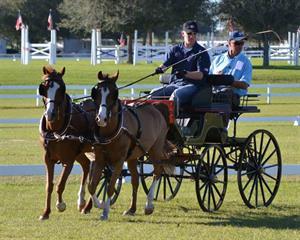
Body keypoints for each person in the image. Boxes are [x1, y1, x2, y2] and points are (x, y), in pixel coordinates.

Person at [151, 20, 211, 107]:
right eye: (189, 33)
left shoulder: (201, 52)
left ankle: (171, 120)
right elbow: (165, 65)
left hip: (193, 86)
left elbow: (200, 75)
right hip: (175, 84)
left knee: (176, 95)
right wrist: (160, 69)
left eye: (194, 33)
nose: (192, 36)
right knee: (153, 94)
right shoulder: (175, 50)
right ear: (183, 34)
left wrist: (185, 74)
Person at [209, 31, 252, 108]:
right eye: (236, 43)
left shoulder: (246, 62)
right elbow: (208, 80)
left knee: (226, 93)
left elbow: (244, 85)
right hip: (214, 93)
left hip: (233, 97)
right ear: (228, 43)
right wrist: (216, 78)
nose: (239, 46)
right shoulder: (217, 60)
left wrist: (227, 80)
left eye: (241, 43)